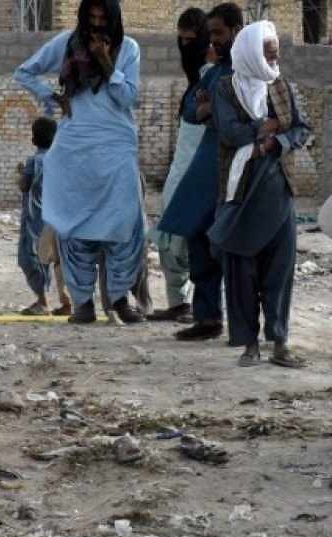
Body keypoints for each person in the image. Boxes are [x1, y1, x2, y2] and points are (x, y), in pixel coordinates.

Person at [14, 0, 145, 325]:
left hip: (116, 148)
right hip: (75, 148)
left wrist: (104, 62)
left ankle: (119, 299)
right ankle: (83, 302)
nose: (98, 25)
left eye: (104, 19)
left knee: (123, 224)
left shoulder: (128, 48)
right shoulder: (67, 44)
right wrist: (51, 97)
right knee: (75, 227)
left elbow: (127, 97)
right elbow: (24, 72)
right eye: (92, 18)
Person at [208, 21, 308, 368]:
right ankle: (249, 343)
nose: (273, 64)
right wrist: (260, 127)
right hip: (240, 189)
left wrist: (272, 142)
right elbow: (229, 132)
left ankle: (279, 341)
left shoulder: (280, 85)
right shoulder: (226, 88)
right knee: (241, 269)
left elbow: (298, 128)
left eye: (276, 57)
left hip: (277, 186)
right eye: (267, 57)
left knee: (280, 269)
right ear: (251, 54)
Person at [159, 3, 242, 342]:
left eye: (218, 33)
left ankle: (245, 324)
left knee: (235, 249)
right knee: (197, 237)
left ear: (237, 30)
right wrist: (209, 107)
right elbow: (193, 109)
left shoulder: (255, 70)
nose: (214, 41)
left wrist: (216, 108)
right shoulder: (214, 72)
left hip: (241, 170)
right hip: (208, 168)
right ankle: (207, 318)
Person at [145, 8, 209, 323]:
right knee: (170, 239)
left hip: (202, 173)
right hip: (179, 172)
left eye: (192, 40)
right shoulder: (193, 78)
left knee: (199, 241)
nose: (186, 47)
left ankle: (204, 307)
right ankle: (179, 303)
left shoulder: (214, 75)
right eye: (181, 40)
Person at [17, 117, 70, 316]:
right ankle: (67, 302)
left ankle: (42, 301)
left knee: (30, 258)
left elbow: (24, 186)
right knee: (60, 259)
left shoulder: (35, 160)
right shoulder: (61, 159)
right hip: (60, 217)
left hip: (36, 218)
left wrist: (21, 173)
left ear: (34, 138)